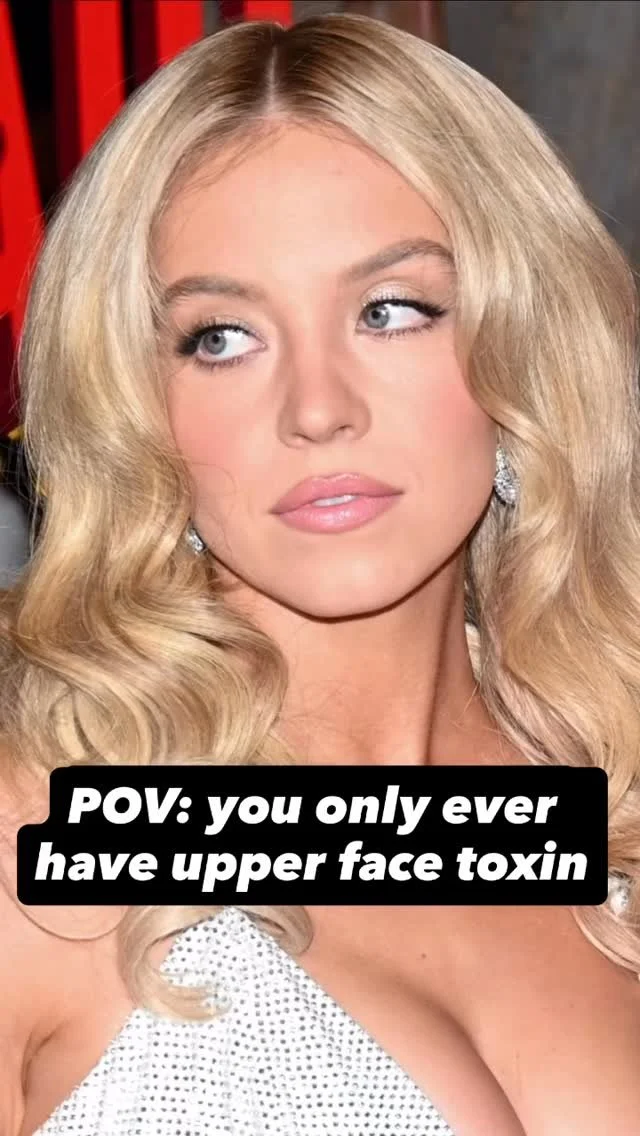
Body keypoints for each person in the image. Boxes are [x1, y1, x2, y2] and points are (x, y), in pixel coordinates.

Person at [0, 11, 638, 1136]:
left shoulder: (614, 794)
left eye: (391, 311)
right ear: (134, 400)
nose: (317, 408)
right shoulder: (36, 832)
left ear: (524, 343)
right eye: (220, 336)